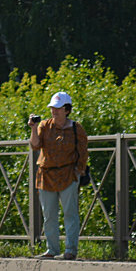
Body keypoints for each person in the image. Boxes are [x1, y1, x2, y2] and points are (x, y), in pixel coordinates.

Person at [29, 91, 89, 259]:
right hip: (46, 175)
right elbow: (35, 146)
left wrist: (79, 171)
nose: (53, 111)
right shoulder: (44, 126)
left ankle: (70, 250)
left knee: (70, 214)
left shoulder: (77, 128)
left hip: (68, 175)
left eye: (57, 108)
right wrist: (33, 129)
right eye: (52, 108)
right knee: (49, 215)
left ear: (67, 110)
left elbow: (83, 152)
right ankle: (52, 250)